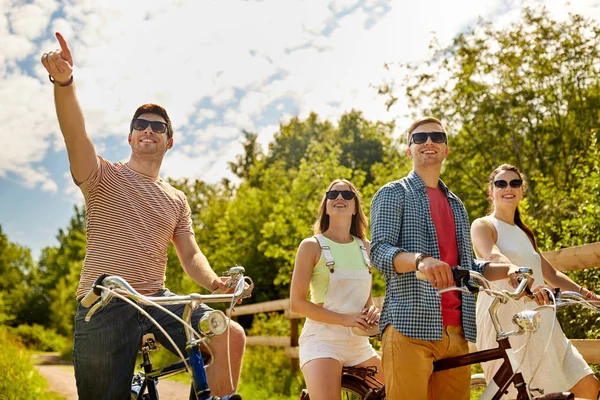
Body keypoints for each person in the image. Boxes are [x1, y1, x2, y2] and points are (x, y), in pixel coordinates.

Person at [41, 32, 245, 399]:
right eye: (141, 125)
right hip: (104, 303)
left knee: (229, 333)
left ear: (169, 141)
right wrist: (64, 82)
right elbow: (75, 134)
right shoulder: (103, 176)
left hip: (158, 301)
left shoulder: (176, 198)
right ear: (131, 137)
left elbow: (190, 254)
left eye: (158, 127)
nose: (149, 129)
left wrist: (214, 282)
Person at [370, 117, 526, 400]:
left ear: (446, 149)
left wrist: (509, 269)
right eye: (420, 138)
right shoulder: (393, 194)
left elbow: (466, 268)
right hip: (410, 327)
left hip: (457, 333)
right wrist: (420, 260)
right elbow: (379, 252)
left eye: (436, 137)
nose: (428, 142)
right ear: (409, 150)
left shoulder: (457, 204)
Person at [471, 163, 600, 399]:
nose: (507, 188)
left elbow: (552, 274)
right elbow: (494, 256)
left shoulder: (524, 232)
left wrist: (589, 297)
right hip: (508, 322)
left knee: (587, 385)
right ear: (491, 192)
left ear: (522, 190)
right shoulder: (484, 225)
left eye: (514, 183)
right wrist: (523, 279)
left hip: (542, 318)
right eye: (500, 183)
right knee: (527, 393)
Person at [290, 179, 383, 400]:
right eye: (333, 195)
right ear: (326, 206)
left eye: (347, 195)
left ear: (355, 208)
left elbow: (365, 300)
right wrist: (345, 319)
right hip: (321, 342)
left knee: (400, 391)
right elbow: (296, 303)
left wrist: (373, 313)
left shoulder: (366, 248)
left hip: (359, 344)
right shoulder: (311, 246)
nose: (339, 198)